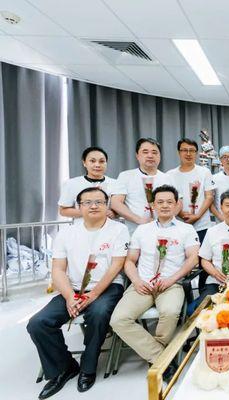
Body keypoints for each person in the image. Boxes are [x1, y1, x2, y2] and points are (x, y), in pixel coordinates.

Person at [28, 187, 128, 398]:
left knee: (98, 314)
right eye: (87, 202)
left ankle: (88, 368)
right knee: (38, 323)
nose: (93, 206)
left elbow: (116, 266)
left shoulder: (118, 230)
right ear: (79, 206)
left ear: (107, 205)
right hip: (72, 289)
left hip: (108, 287)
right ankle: (64, 367)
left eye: (99, 202)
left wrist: (93, 295)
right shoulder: (66, 233)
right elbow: (58, 270)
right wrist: (69, 297)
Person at [110, 185, 199, 381]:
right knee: (118, 320)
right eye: (160, 202)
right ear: (153, 205)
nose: (165, 206)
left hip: (171, 284)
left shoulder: (186, 229)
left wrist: (172, 279)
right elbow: (130, 261)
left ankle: (154, 355)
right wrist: (136, 281)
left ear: (177, 205)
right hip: (142, 284)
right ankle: (160, 357)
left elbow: (193, 258)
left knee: (170, 312)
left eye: (169, 202)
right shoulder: (142, 230)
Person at [111, 138, 176, 234]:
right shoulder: (126, 176)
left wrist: (165, 220)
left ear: (160, 156)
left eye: (154, 152)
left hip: (164, 232)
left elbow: (178, 203)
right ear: (137, 155)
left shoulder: (168, 177)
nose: (150, 155)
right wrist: (139, 220)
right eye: (145, 152)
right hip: (135, 232)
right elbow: (115, 203)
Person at [167, 138, 215, 243]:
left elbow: (209, 197)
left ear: (196, 153)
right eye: (184, 150)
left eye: (192, 150)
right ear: (179, 152)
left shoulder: (205, 172)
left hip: (202, 225)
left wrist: (197, 216)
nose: (188, 154)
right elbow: (169, 199)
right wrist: (182, 215)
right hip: (178, 224)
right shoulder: (170, 175)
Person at [58, 146, 116, 219]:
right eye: (92, 161)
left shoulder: (116, 183)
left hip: (109, 225)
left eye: (102, 161)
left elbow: (122, 207)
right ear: (84, 163)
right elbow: (63, 211)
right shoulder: (72, 183)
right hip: (82, 225)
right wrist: (90, 212)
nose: (97, 165)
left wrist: (114, 213)